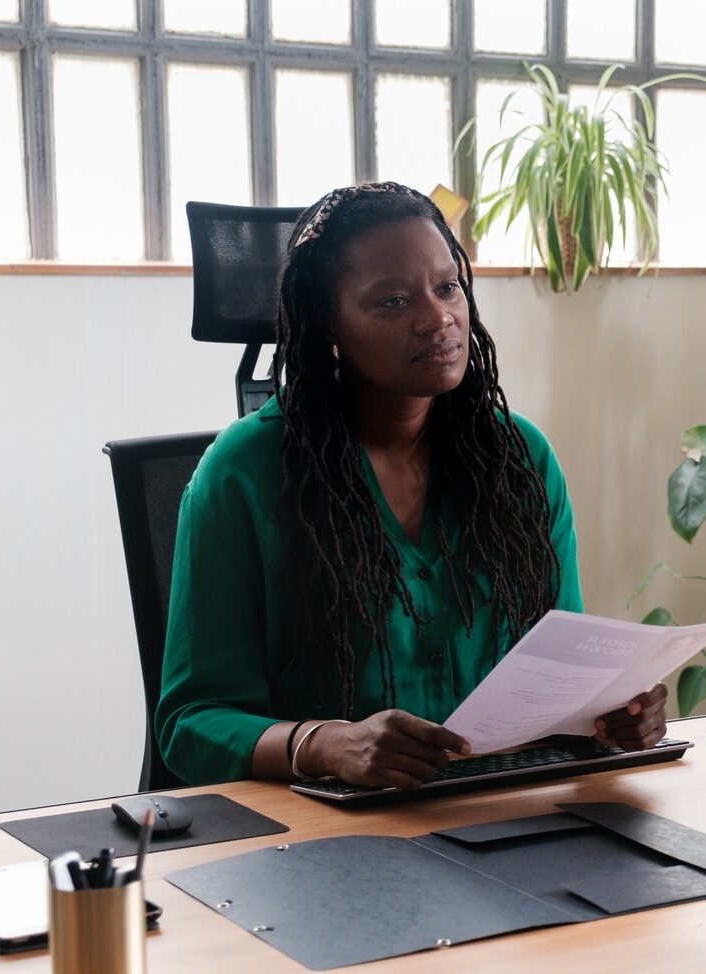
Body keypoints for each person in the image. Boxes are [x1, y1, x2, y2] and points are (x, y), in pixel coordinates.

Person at [156, 181, 667, 788]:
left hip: (505, 807)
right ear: (328, 325)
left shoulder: (519, 458)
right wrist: (324, 744)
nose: (438, 318)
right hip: (327, 834)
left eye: (447, 287)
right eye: (394, 301)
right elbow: (191, 723)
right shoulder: (242, 475)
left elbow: (562, 667)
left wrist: (611, 712)